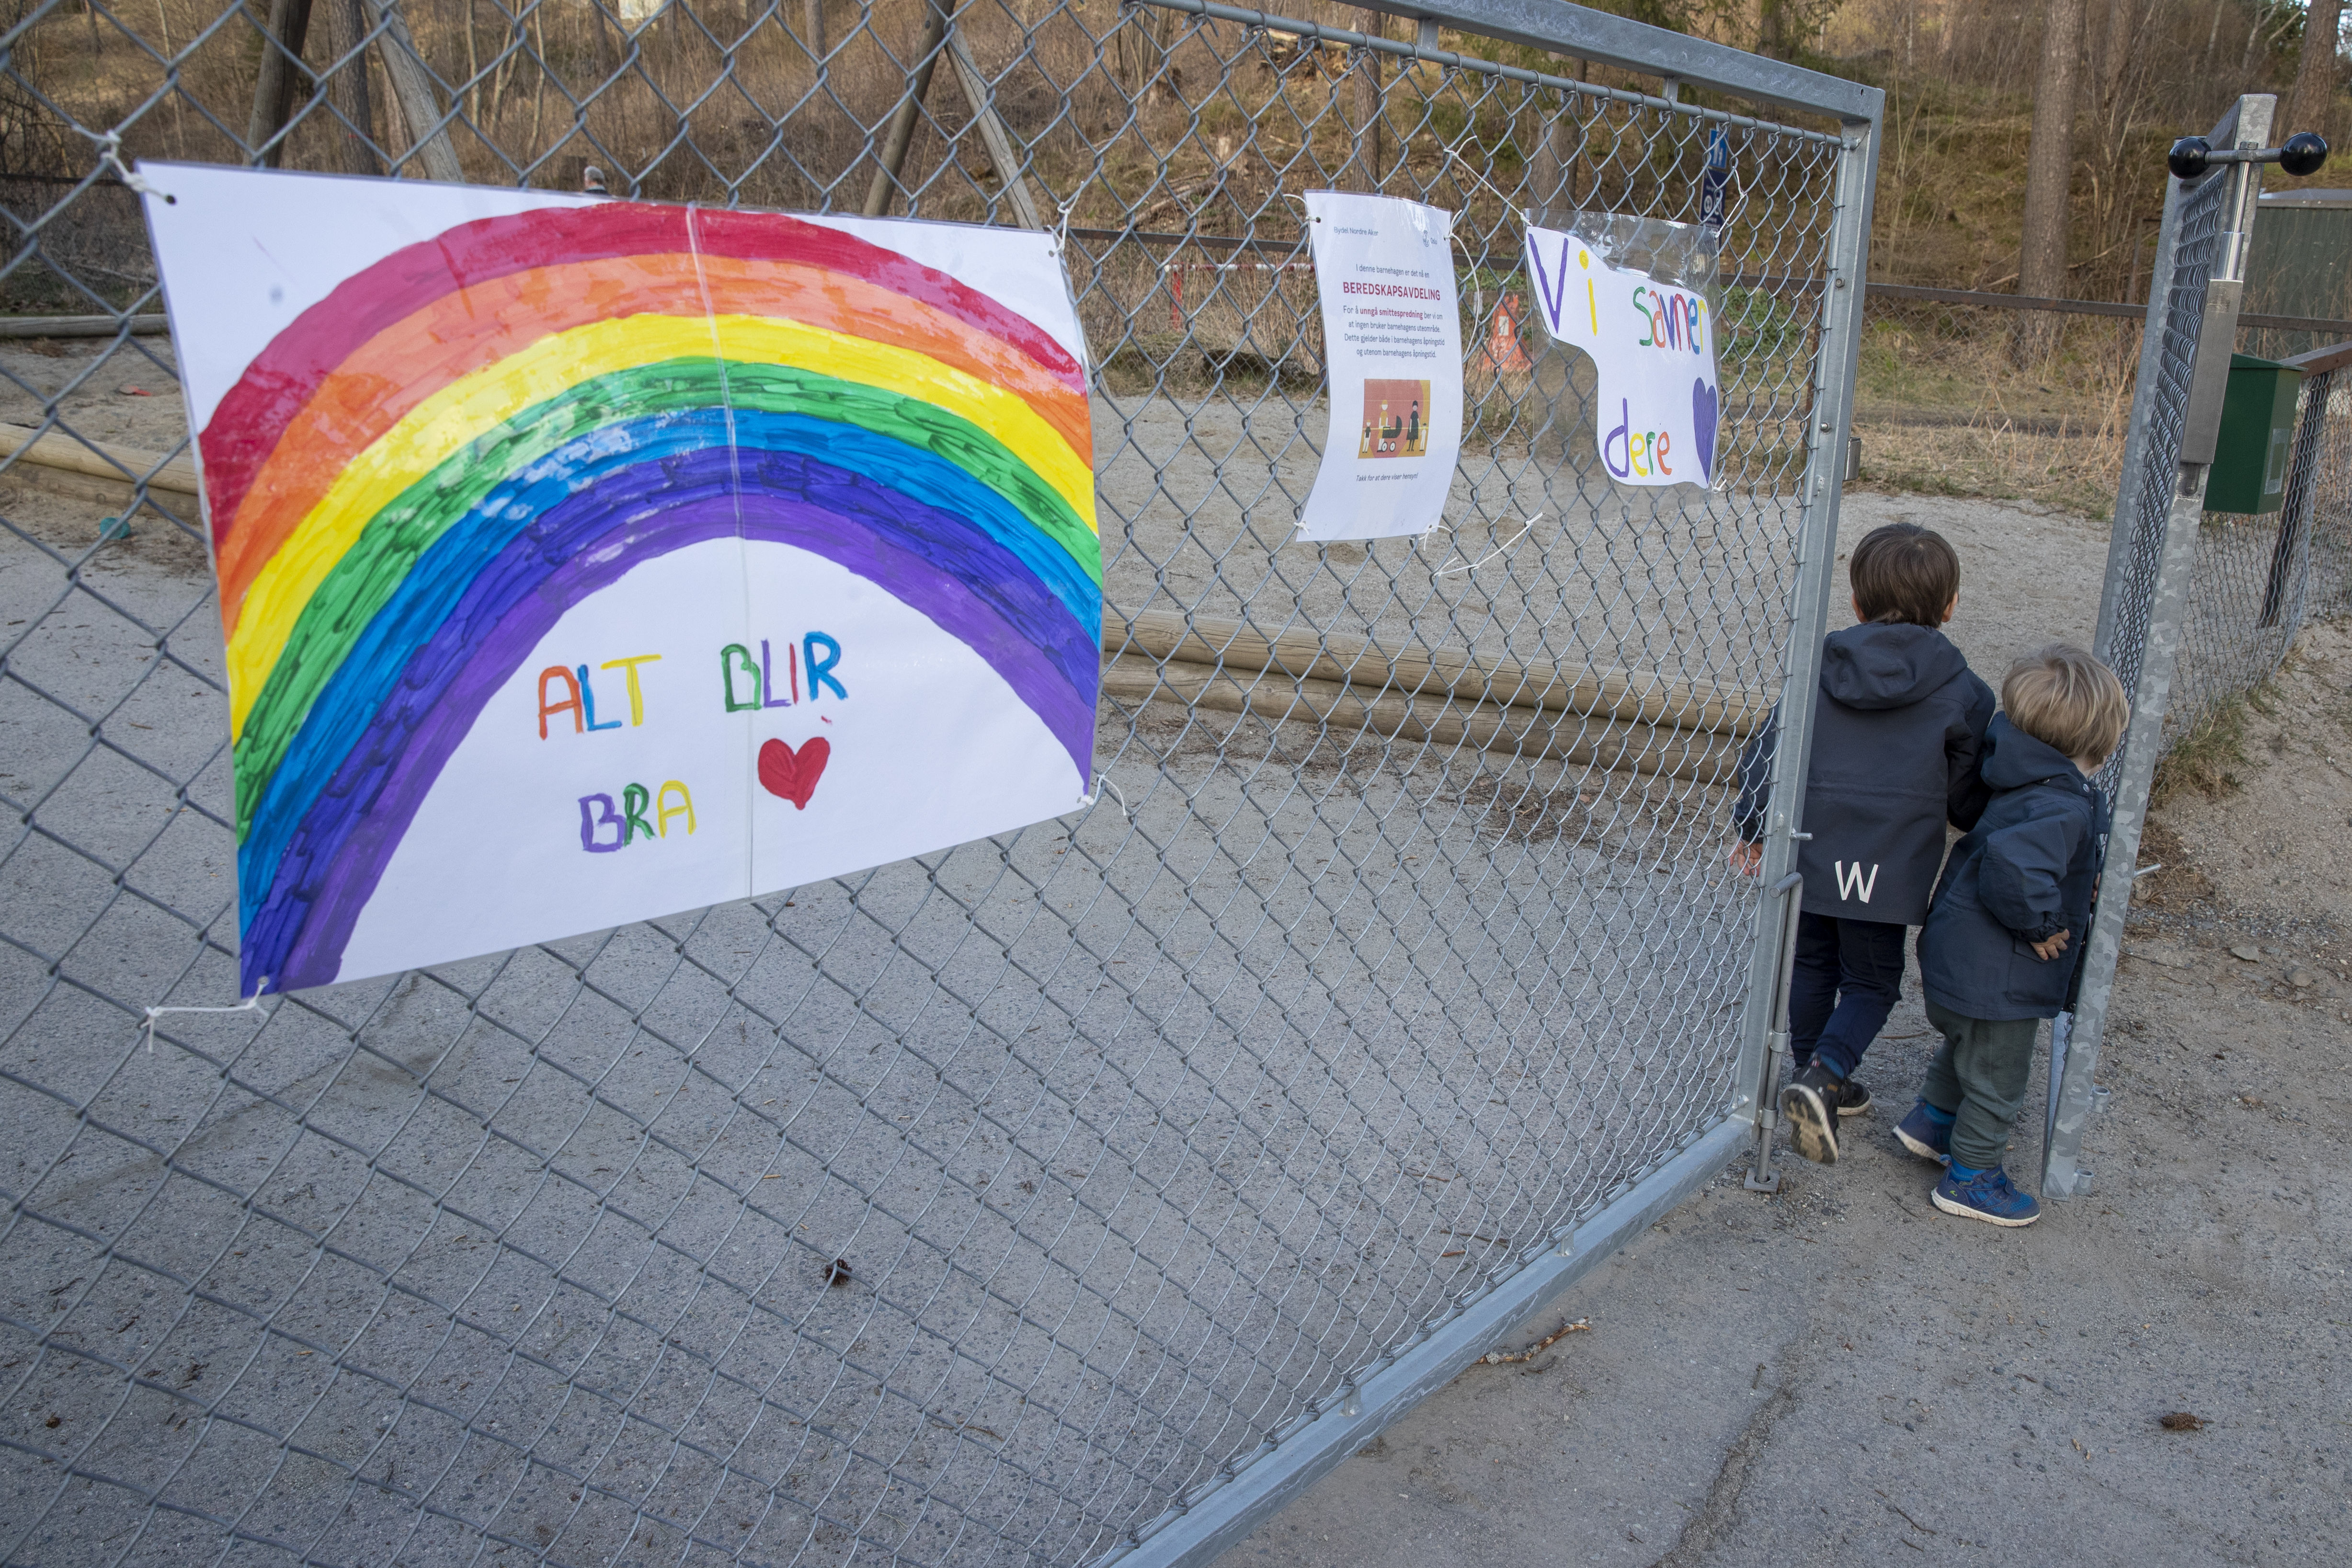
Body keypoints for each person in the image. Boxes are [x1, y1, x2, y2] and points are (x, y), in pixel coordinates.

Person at [1732, 523, 1995, 1165]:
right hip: (1889, 859)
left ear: (1854, 603)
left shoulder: (1816, 669)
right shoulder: (1963, 691)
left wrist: (1751, 823)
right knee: (1872, 983)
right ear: (1950, 606)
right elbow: (1965, 796)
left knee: (1814, 961)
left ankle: (1812, 1071)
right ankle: (1824, 1075)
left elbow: (1769, 750)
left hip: (1811, 843)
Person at [1895, 645, 2127, 1227]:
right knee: (1998, 1078)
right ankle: (1972, 1178)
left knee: (1967, 1047)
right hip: (1997, 973)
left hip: (1959, 959)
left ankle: (1931, 1122)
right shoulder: (2060, 804)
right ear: (2098, 744)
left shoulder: (2016, 772)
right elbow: (2017, 868)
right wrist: (2043, 925)